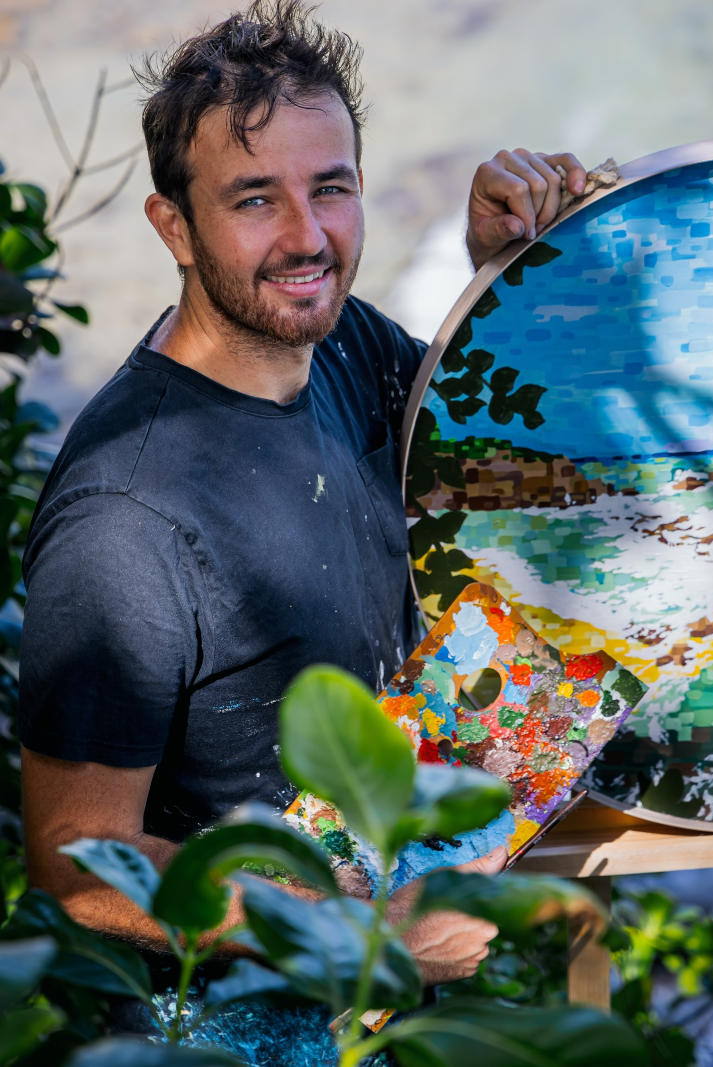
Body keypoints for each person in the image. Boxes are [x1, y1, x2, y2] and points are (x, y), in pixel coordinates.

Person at [19, 0, 586, 1021]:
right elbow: (77, 858)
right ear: (173, 226)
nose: (307, 236)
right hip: (230, 1022)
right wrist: (361, 932)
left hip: (387, 969)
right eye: (254, 199)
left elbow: (485, 476)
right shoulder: (125, 517)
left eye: (330, 187)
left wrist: (496, 275)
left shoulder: (346, 343)